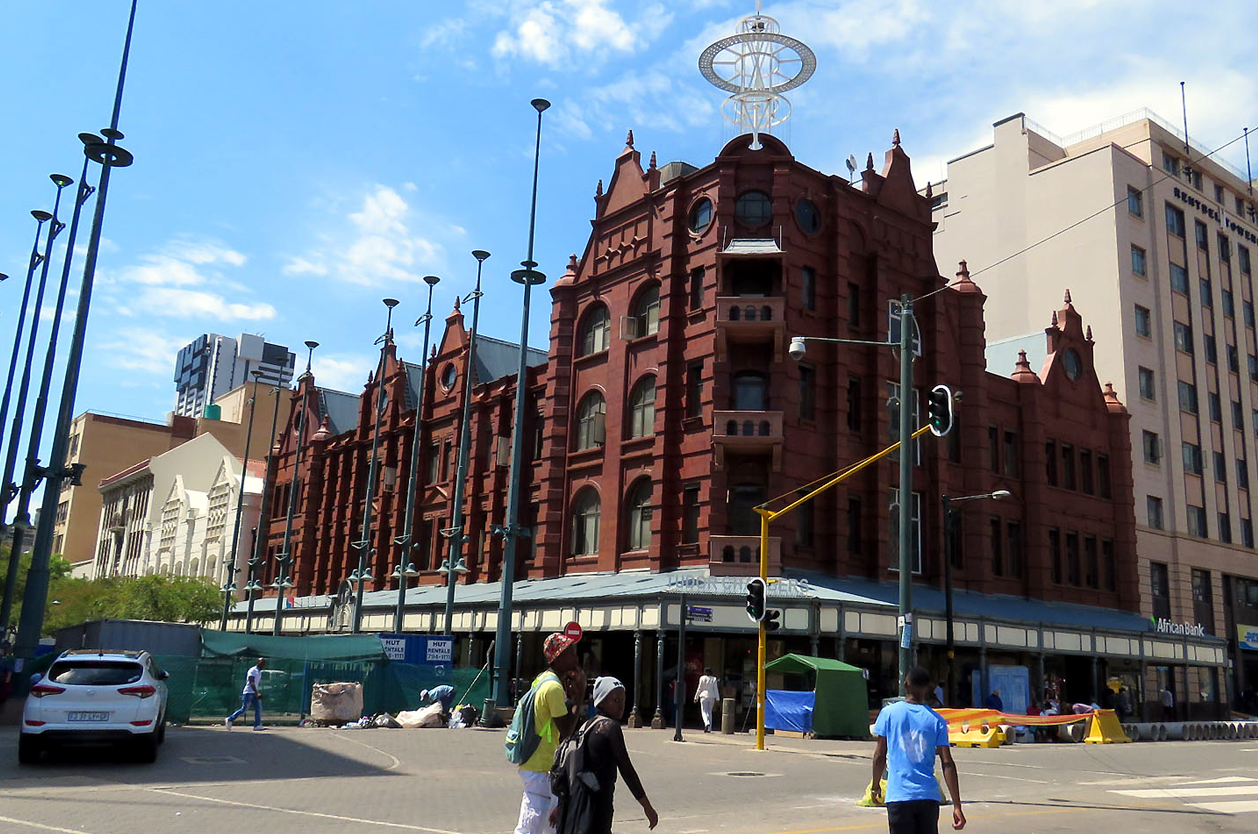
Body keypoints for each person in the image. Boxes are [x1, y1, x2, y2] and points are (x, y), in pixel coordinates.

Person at [554, 677, 659, 834]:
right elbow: (626, 769)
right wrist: (647, 806)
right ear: (601, 702)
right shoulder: (609, 727)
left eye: (623, 700)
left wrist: (560, 806)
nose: (621, 705)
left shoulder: (587, 726)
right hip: (597, 807)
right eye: (615, 700)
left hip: (578, 803)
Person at [871, 666, 965, 833]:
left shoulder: (888, 713)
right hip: (927, 796)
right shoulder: (936, 720)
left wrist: (876, 785)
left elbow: (879, 755)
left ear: (905, 684)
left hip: (899, 796)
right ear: (928, 687)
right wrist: (957, 805)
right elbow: (947, 763)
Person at [514, 632, 587, 834]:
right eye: (571, 652)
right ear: (558, 657)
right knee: (531, 826)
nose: (576, 657)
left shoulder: (543, 679)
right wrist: (580, 696)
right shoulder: (553, 687)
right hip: (542, 767)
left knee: (546, 825)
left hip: (537, 763)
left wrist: (570, 697)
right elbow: (566, 731)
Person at [226, 657, 266, 730]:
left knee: (258, 708)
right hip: (248, 692)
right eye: (261, 662)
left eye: (264, 663)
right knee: (244, 709)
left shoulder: (259, 671)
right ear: (258, 662)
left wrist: (256, 693)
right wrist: (257, 693)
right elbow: (251, 682)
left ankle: (257, 725)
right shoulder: (253, 670)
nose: (263, 664)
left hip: (254, 693)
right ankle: (230, 719)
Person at [694, 668, 720, 733]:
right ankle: (709, 728)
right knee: (709, 712)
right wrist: (717, 698)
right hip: (712, 696)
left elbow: (699, 688)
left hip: (703, 696)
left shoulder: (702, 678)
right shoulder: (714, 679)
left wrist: (696, 697)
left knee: (704, 711)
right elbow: (715, 689)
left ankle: (706, 723)